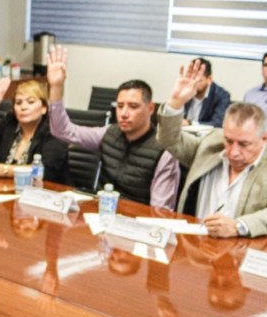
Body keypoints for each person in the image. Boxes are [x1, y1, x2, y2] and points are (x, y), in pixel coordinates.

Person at [160, 59, 267, 238]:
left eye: (244, 144)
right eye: (229, 141)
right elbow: (169, 140)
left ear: (264, 138)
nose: (233, 152)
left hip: (246, 249)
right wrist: (176, 103)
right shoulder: (211, 144)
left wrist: (238, 226)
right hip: (196, 243)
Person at [45, 46, 179, 208]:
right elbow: (62, 131)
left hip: (135, 218)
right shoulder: (108, 133)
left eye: (133, 106)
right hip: (100, 212)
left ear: (150, 109)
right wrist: (56, 87)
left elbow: (160, 211)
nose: (124, 113)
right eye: (120, 106)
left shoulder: (164, 151)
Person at [0, 78, 70, 184]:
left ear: (44, 108)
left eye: (30, 102)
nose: (23, 107)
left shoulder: (56, 130)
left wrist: (4, 170)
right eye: (18, 103)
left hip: (48, 190)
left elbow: (46, 170)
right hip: (9, 187)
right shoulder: (11, 123)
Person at [181, 58, 231, 128]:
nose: (193, 83)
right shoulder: (184, 90)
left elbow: (218, 123)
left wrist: (190, 123)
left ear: (209, 79)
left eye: (199, 80)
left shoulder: (222, 96)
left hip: (205, 133)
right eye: (192, 79)